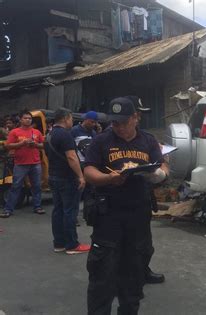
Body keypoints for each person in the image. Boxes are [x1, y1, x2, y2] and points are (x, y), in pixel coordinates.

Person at [84, 97, 168, 314]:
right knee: (102, 275)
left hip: (138, 216)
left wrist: (158, 175)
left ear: (135, 118)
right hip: (108, 215)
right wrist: (108, 179)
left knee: (134, 274)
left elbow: (162, 166)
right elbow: (89, 171)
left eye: (123, 121)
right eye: (114, 122)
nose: (118, 126)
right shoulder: (101, 141)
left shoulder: (148, 141)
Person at [124, 95, 165, 285]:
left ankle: (142, 271)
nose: (139, 117)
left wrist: (161, 172)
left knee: (144, 242)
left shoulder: (147, 138)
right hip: (115, 200)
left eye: (139, 114)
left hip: (141, 197)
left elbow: (161, 163)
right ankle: (121, 276)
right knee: (119, 242)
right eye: (137, 113)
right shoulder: (105, 140)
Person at [46, 108, 90, 254]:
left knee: (58, 210)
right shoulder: (65, 135)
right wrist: (80, 176)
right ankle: (72, 245)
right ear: (65, 119)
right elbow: (72, 157)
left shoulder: (50, 134)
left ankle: (59, 243)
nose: (72, 121)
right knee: (70, 211)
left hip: (53, 176)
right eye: (71, 118)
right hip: (67, 178)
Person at [1, 110, 44, 218]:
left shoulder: (36, 132)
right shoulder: (14, 132)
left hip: (35, 163)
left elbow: (43, 145)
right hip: (20, 164)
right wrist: (21, 143)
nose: (28, 120)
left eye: (29, 118)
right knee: (16, 186)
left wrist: (35, 145)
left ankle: (37, 206)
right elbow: (7, 146)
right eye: (25, 118)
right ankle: (8, 209)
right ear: (20, 120)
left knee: (37, 186)